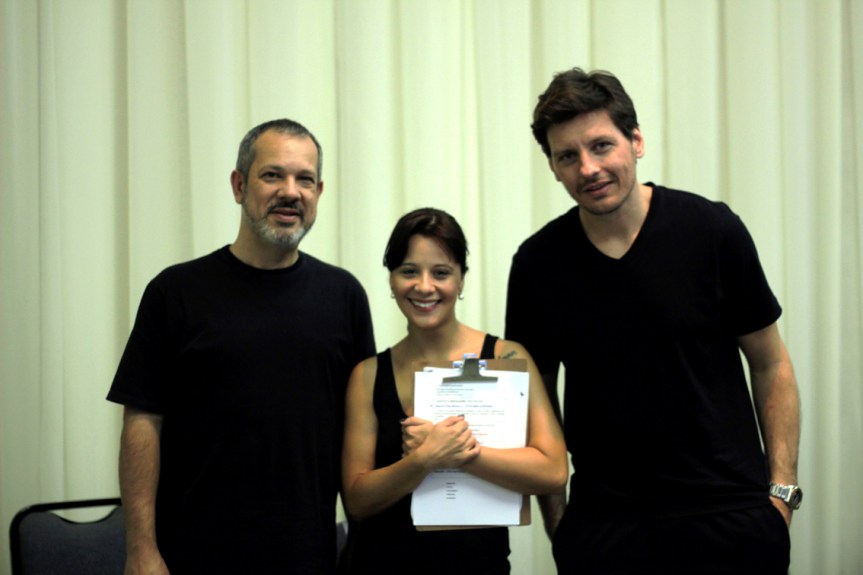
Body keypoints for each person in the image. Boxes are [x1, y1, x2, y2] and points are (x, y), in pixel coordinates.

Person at [505, 68, 801, 574]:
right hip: (607, 529)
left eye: (602, 146)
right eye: (567, 156)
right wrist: (562, 523)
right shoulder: (537, 265)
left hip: (731, 519)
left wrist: (780, 496)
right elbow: (531, 401)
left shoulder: (712, 231)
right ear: (553, 168)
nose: (589, 168)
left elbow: (771, 364)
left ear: (636, 141)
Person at [107, 119, 376, 574]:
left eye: (304, 179)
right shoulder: (175, 293)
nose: (290, 192)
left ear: (318, 193)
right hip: (191, 555)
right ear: (239, 184)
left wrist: (363, 552)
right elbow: (142, 424)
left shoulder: (344, 297)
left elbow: (360, 434)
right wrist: (140, 550)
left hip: (307, 557)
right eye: (273, 175)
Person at [339, 208, 567, 574]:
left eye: (441, 273)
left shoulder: (506, 356)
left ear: (461, 280)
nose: (424, 286)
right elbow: (357, 499)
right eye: (408, 271)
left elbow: (553, 471)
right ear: (392, 279)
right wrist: (422, 460)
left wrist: (459, 452)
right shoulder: (367, 375)